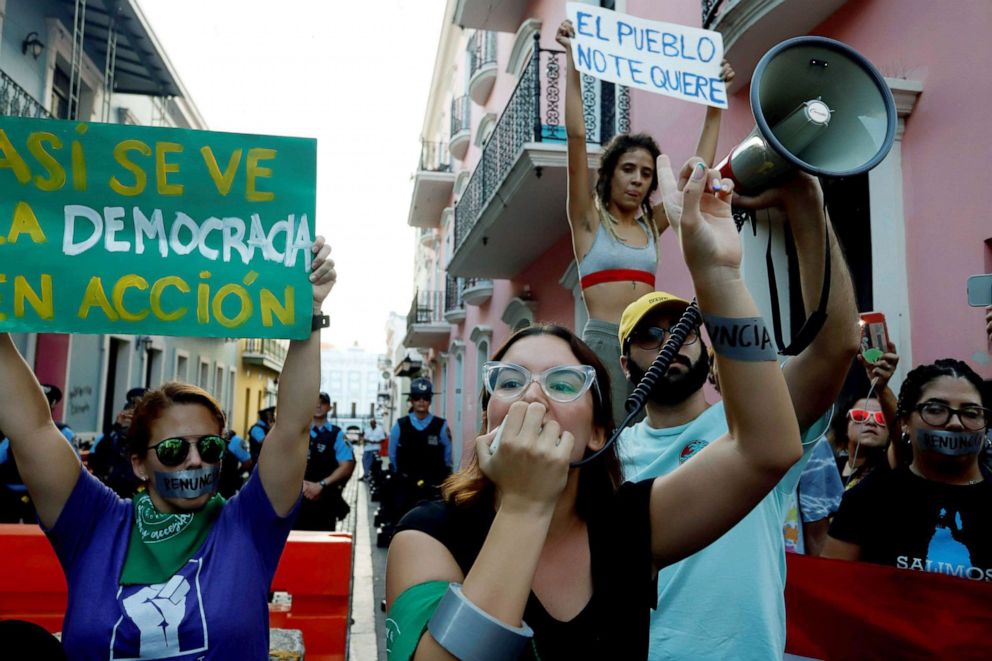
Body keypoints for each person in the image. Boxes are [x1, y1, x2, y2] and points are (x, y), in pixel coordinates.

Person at [384, 155, 805, 659]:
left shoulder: (628, 525)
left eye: (563, 384)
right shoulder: (429, 534)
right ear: (488, 419)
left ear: (599, 433)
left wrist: (719, 277)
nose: (534, 396)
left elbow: (767, 449)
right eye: (511, 381)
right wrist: (525, 504)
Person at [0, 237, 335, 658]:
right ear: (139, 463)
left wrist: (310, 313)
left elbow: (292, 427)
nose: (196, 459)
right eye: (175, 450)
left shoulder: (248, 526)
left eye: (210, 447)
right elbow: (31, 428)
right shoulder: (95, 524)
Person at [617, 168, 859, 659]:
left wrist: (806, 202)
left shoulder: (755, 425)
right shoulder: (609, 452)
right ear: (626, 365)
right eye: (650, 336)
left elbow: (836, 346)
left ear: (707, 346)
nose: (671, 344)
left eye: (682, 331)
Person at [556, 19, 734, 427]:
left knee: (654, 437)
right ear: (610, 174)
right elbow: (577, 139)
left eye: (647, 173)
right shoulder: (587, 221)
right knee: (610, 447)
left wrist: (714, 102)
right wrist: (574, 62)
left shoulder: (652, 226)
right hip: (604, 346)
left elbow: (696, 175)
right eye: (629, 169)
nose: (638, 179)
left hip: (653, 342)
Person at [824, 358, 991, 580]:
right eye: (935, 409)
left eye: (971, 413)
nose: (955, 423)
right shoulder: (869, 501)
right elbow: (831, 589)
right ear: (904, 421)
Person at [389, 378, 452, 522]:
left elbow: (447, 455)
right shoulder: (400, 425)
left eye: (426, 398)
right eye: (417, 397)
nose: (421, 401)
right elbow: (392, 454)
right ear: (411, 400)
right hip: (406, 484)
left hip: (432, 484)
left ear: (430, 401)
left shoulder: (441, 425)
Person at [293, 392, 356, 530]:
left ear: (329, 408)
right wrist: (300, 485)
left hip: (325, 499)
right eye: (314, 402)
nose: (318, 405)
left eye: (323, 402)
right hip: (296, 498)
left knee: (323, 542)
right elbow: (284, 462)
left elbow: (347, 466)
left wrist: (320, 485)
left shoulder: (337, 434)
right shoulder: (298, 432)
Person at [89, 388, 147, 499]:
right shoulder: (114, 434)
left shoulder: (147, 436)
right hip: (111, 489)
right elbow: (95, 459)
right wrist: (117, 426)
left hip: (135, 492)